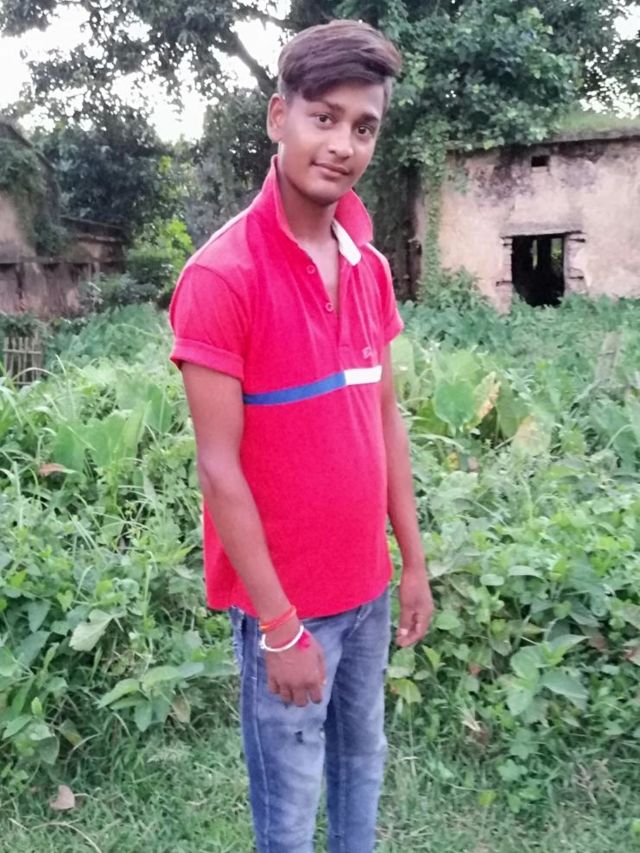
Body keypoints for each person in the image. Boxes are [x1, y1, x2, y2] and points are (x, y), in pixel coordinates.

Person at [169, 19, 434, 853]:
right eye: (325, 117)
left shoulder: (369, 266)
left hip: (367, 590)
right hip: (288, 607)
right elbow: (220, 469)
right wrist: (280, 627)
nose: (344, 144)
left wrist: (412, 561)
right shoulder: (222, 277)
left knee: (361, 765)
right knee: (287, 811)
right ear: (278, 117)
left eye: (365, 126)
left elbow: (383, 419)